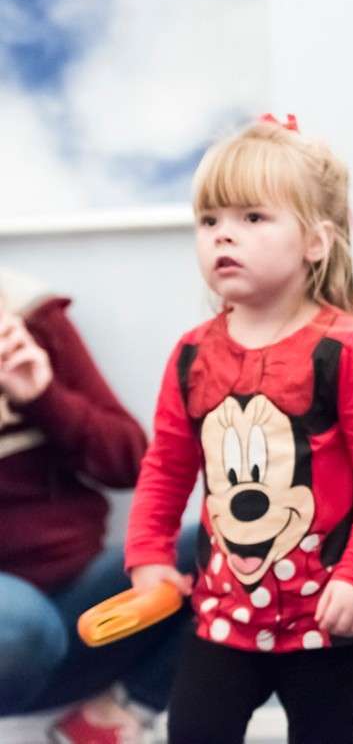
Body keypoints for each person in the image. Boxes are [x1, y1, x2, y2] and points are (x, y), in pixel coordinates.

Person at [124, 115, 353, 743]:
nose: (225, 235)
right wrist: (147, 556)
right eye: (210, 221)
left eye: (252, 218)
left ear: (315, 242)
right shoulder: (191, 355)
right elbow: (167, 468)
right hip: (223, 608)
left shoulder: (349, 349)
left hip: (330, 608)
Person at [0, 267, 194, 743]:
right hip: (12, 624)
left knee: (251, 544)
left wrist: (43, 396)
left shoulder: (24, 315)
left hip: (83, 605)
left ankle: (114, 719)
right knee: (22, 625)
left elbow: (130, 461)